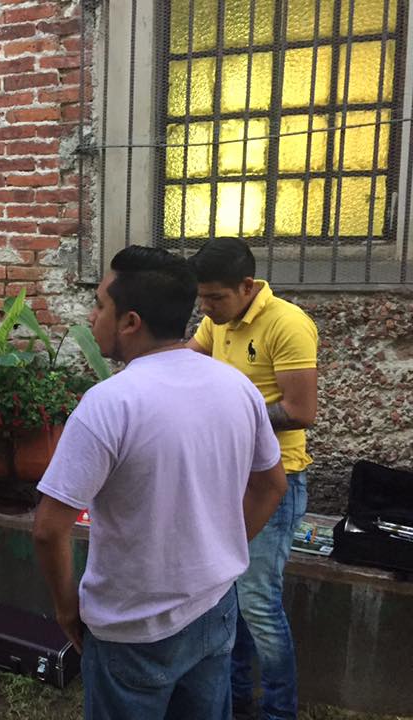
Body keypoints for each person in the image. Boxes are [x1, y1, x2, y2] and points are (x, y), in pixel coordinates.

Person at [33, 246, 288, 720]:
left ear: (130, 322)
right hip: (214, 607)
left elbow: (50, 528)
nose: (92, 316)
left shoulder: (108, 403)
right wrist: (221, 548)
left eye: (100, 306)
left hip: (132, 628)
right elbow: (272, 485)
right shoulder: (238, 387)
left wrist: (67, 609)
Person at [187, 237, 318, 720]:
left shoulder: (287, 323)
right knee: (228, 597)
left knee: (259, 606)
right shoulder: (215, 319)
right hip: (224, 477)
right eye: (202, 298)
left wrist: (233, 414)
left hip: (274, 479)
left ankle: (280, 712)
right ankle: (237, 699)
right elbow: (185, 360)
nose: (206, 307)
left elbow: (302, 410)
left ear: (247, 286)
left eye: (215, 298)